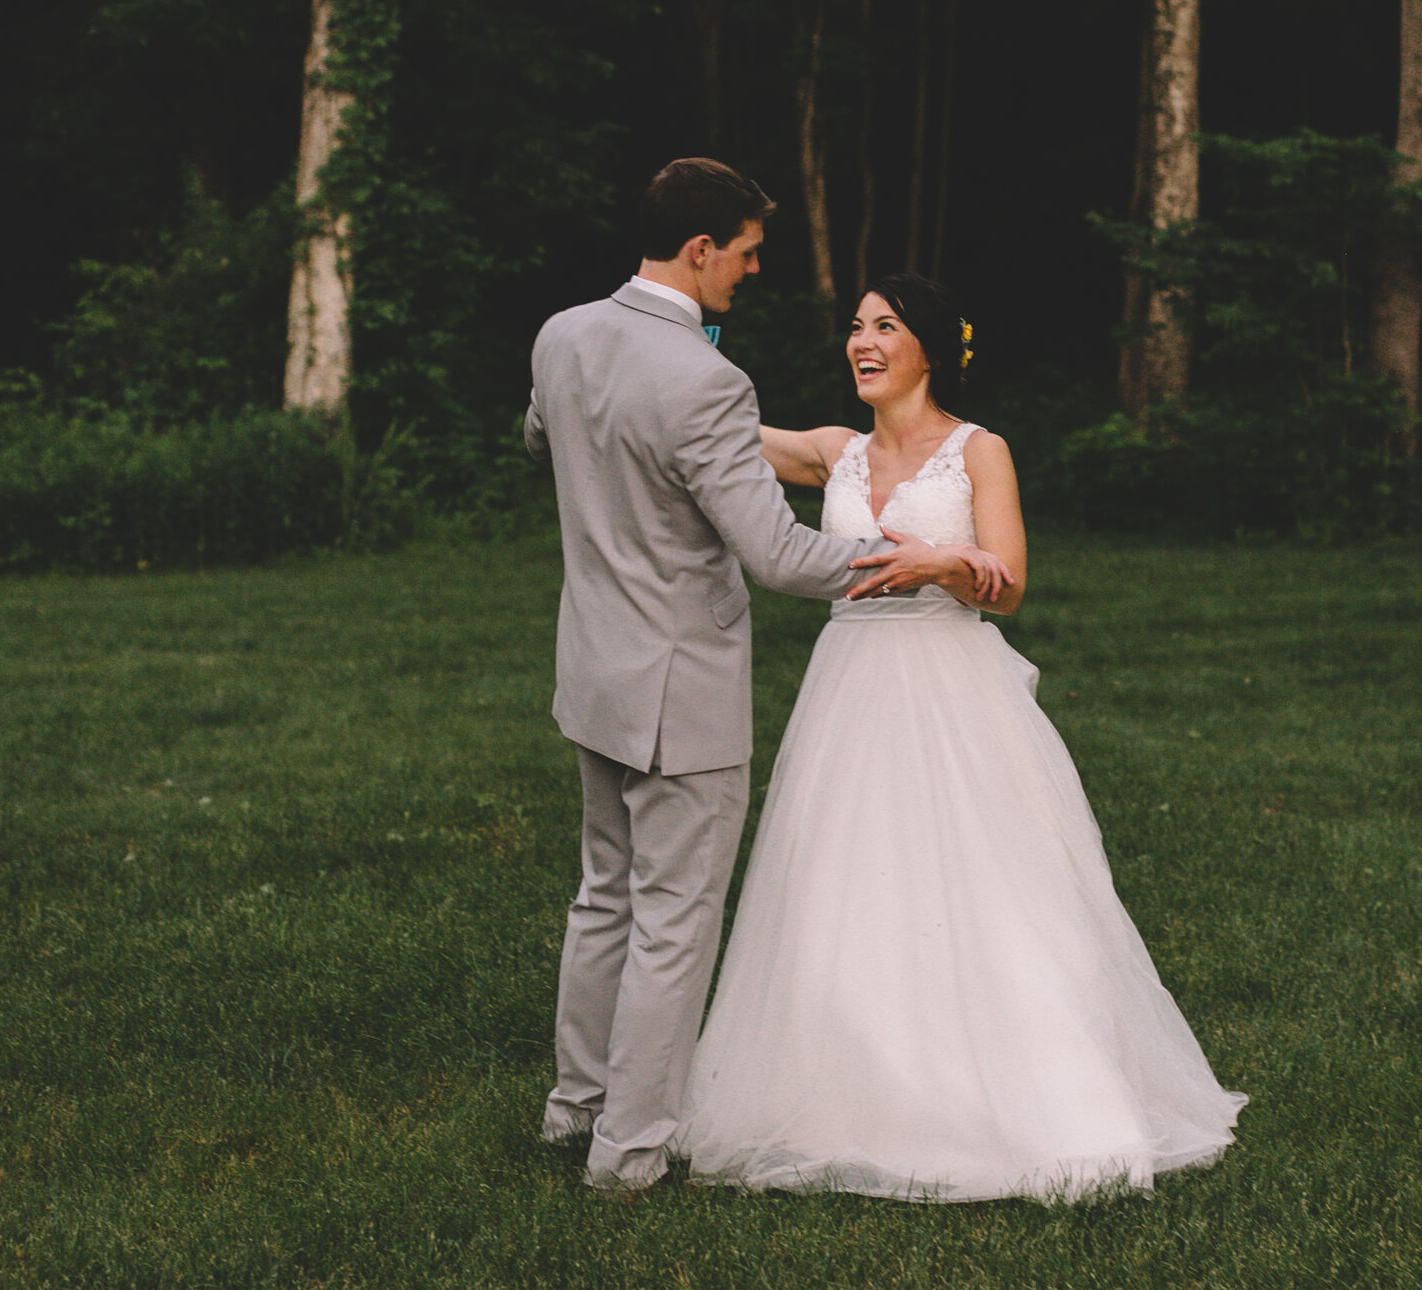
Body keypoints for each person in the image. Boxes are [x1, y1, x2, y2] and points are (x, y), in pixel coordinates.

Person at [679, 273, 1247, 1202]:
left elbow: (1012, 584)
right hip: (850, 692)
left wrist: (946, 563)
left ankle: (1024, 1099)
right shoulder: (835, 453)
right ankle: (854, 1097)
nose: (862, 342)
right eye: (855, 328)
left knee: (990, 890)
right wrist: (678, 345)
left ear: (929, 349)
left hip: (952, 689)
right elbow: (718, 426)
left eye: (885, 327)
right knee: (842, 885)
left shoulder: (980, 452)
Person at [524, 161, 1015, 1191]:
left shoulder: (562, 335)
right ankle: (629, 1150)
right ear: (701, 250)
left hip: (592, 669)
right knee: (669, 918)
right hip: (677, 689)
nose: (753, 271)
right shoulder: (707, 379)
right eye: (746, 252)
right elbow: (781, 556)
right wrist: (915, 560)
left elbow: (543, 437)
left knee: (602, 897)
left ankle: (572, 1110)